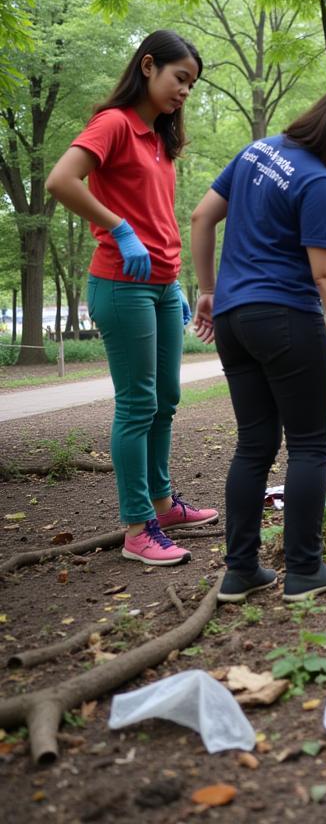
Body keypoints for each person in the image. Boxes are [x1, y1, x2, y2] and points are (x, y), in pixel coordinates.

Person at [190, 85, 326, 603]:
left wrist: (207, 290)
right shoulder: (318, 181)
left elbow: (201, 216)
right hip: (285, 319)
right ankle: (304, 570)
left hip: (233, 320)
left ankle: (240, 571)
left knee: (253, 445)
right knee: (308, 445)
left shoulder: (258, 150)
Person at [45, 30, 217, 568]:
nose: (185, 91)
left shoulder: (159, 139)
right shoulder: (114, 124)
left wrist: (178, 285)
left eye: (191, 84)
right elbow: (61, 180)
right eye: (179, 78)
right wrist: (117, 229)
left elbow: (160, 216)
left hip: (163, 288)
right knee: (138, 405)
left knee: (166, 399)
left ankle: (163, 506)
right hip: (121, 285)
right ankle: (136, 526)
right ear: (148, 66)